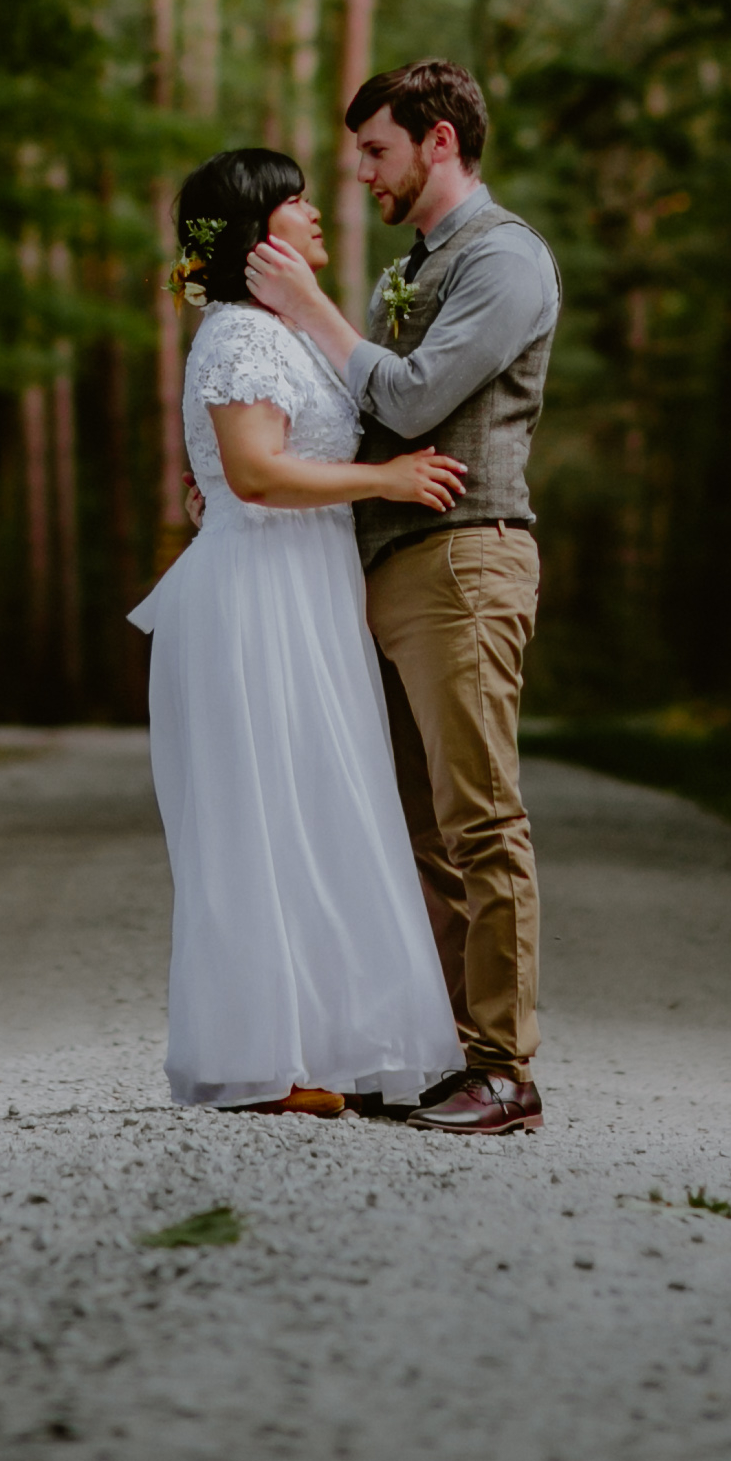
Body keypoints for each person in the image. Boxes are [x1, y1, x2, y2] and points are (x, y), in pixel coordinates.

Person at [247, 59, 560, 1138]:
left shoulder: (505, 259)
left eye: (377, 151)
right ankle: (444, 1056)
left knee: (481, 817)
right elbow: (355, 407)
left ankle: (506, 1069)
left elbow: (420, 397)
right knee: (416, 829)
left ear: (438, 141)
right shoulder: (408, 268)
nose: (365, 175)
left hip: (465, 558)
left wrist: (314, 309)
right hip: (383, 563)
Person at [129, 147, 468, 1118]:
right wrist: (387, 481)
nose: (317, 215)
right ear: (255, 232)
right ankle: (255, 1059)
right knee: (262, 819)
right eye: (296, 203)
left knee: (317, 809)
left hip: (308, 589)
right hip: (257, 597)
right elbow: (256, 473)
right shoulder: (238, 335)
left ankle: (318, 1049)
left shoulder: (289, 333)